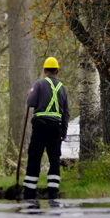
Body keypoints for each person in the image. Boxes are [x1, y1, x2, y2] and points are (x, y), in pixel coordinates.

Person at [23, 57, 69, 207]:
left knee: (35, 157)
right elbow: (66, 113)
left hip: (40, 126)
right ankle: (53, 193)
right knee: (54, 159)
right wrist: (64, 131)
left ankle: (29, 194)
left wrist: (30, 94)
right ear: (57, 71)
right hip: (56, 127)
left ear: (44, 70)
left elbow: (30, 103)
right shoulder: (63, 88)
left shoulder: (39, 84)